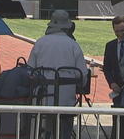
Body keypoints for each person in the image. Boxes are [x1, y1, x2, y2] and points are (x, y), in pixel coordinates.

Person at [28, 10, 88, 139]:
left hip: (42, 99)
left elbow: (29, 70)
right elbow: (82, 74)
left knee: (41, 132)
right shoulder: (73, 45)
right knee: (63, 132)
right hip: (66, 101)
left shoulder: (40, 42)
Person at [103, 16, 124, 139]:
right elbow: (106, 68)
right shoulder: (110, 45)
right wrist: (112, 83)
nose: (119, 34)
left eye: (122, 30)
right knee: (118, 121)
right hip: (118, 89)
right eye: (117, 31)